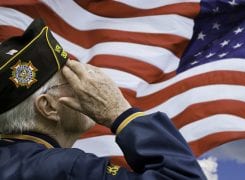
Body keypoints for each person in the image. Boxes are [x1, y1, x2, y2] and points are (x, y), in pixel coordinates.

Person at [0, 19, 207, 180]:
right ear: (49, 107)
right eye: (73, 79)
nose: (91, 86)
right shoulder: (68, 169)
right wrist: (118, 112)